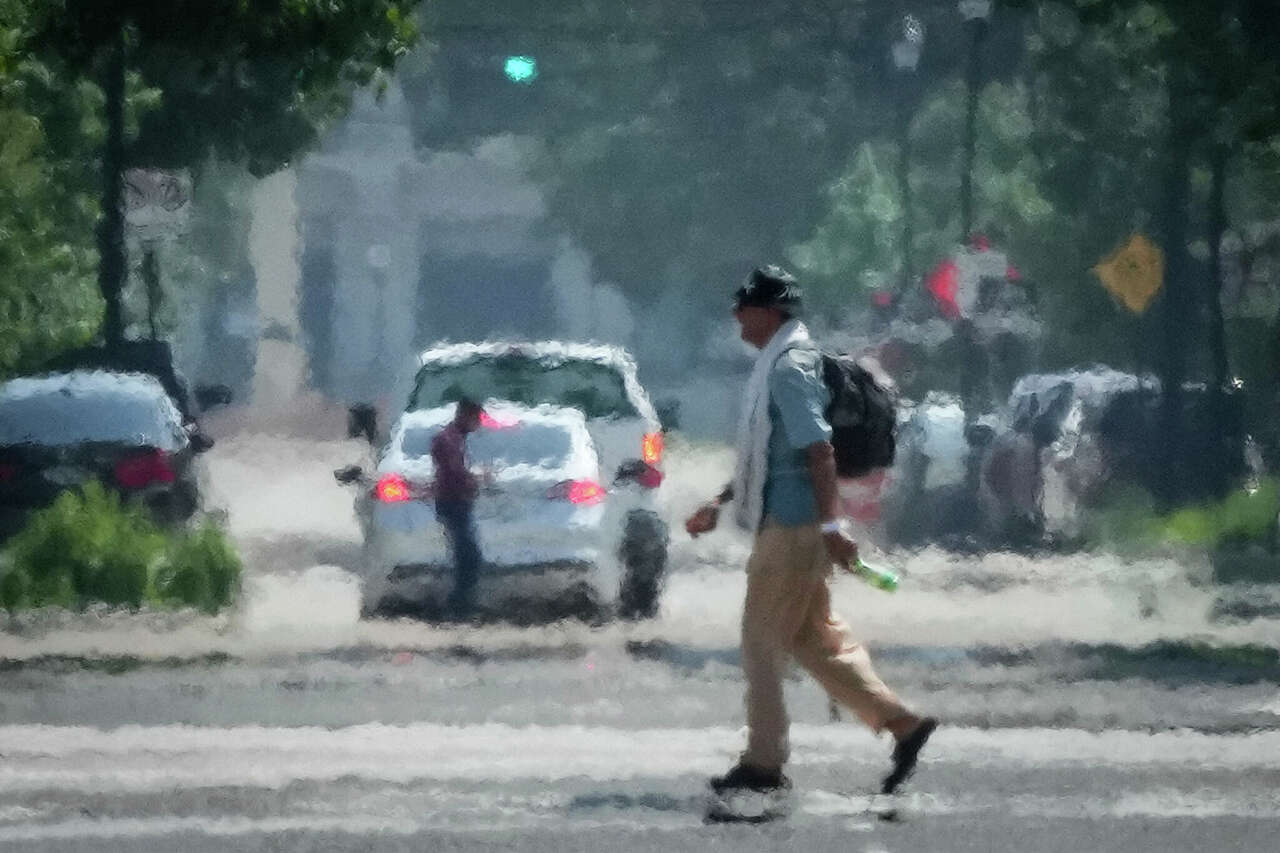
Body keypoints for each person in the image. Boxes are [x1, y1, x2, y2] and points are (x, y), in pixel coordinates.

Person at [685, 266, 937, 797]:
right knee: (815, 639)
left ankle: (763, 763)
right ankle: (904, 726)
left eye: (744, 306)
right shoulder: (776, 364)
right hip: (791, 521)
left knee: (760, 644)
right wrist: (721, 500)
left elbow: (818, 450)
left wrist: (830, 525)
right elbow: (769, 456)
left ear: (769, 311)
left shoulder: (788, 369)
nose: (735, 315)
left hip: (795, 527)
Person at [431, 397, 486, 616]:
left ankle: (463, 602)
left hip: (458, 502)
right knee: (469, 556)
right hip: (453, 502)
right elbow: (453, 472)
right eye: (477, 418)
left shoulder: (456, 438)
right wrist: (474, 479)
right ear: (466, 415)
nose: (479, 424)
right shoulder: (448, 440)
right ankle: (460, 605)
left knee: (466, 554)